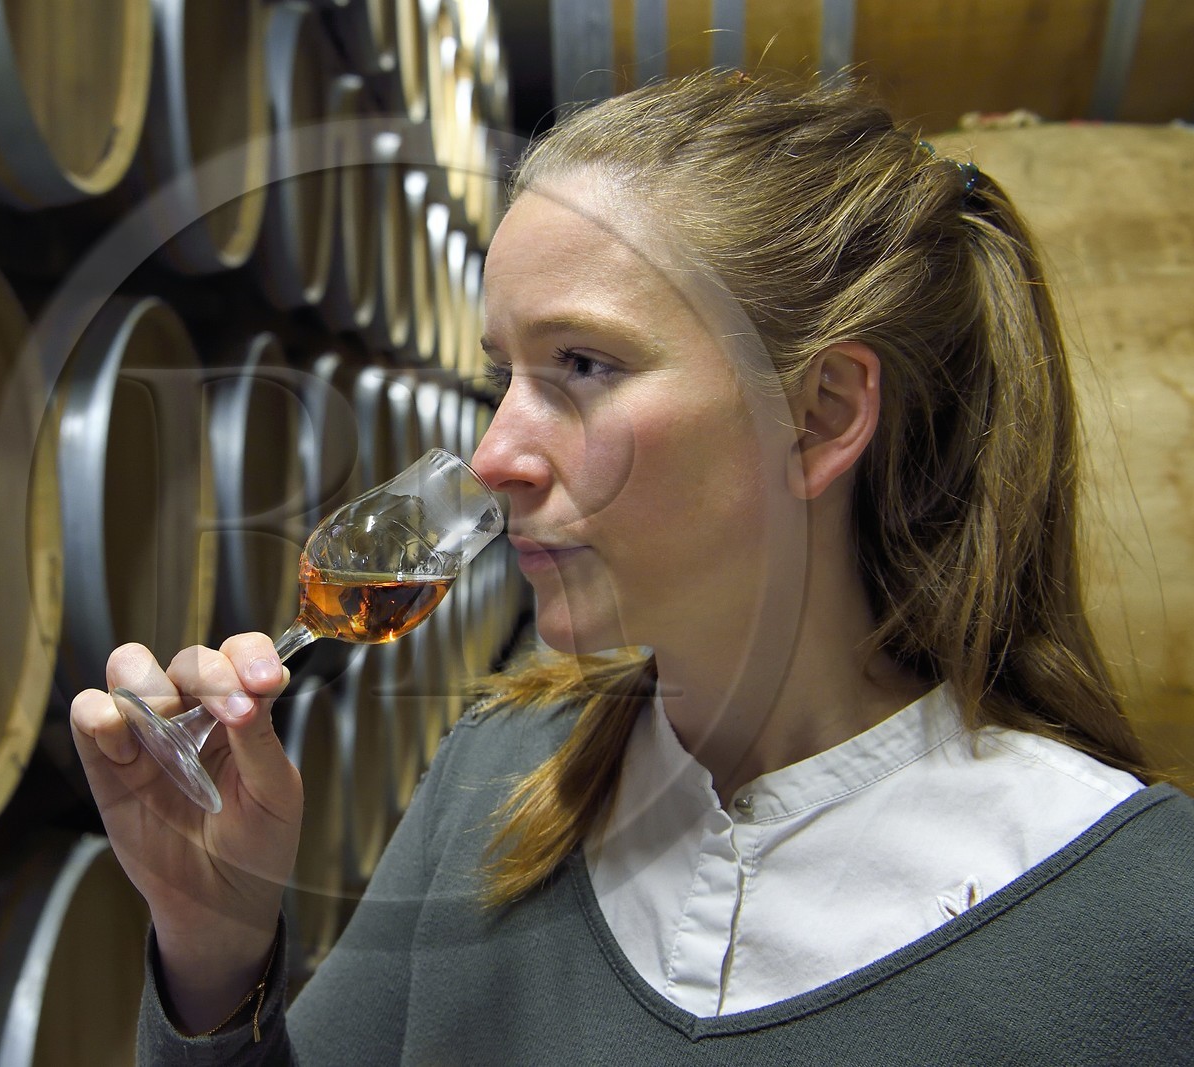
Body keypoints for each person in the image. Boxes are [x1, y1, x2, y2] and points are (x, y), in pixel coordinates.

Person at [70, 71, 1194, 1063]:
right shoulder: (501, 770)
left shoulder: (1140, 924)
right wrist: (213, 953)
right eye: (501, 373)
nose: (496, 455)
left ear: (820, 412)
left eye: (581, 363)